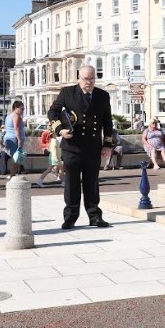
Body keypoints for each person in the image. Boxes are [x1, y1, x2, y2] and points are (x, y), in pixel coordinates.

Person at [47, 64, 114, 229]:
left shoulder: (102, 95)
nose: (89, 82)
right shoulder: (67, 92)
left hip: (93, 147)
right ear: (79, 78)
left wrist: (107, 144)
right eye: (85, 79)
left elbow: (107, 121)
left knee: (92, 183)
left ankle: (95, 216)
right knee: (72, 184)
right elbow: (52, 112)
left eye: (92, 79)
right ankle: (70, 217)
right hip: (73, 146)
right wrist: (60, 130)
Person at [3, 100, 26, 178]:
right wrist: (19, 139)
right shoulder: (16, 116)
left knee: (14, 158)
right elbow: (16, 128)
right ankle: (12, 176)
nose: (23, 110)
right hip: (14, 139)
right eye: (22, 109)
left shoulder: (9, 116)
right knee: (17, 159)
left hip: (8, 137)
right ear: (16, 108)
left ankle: (12, 175)